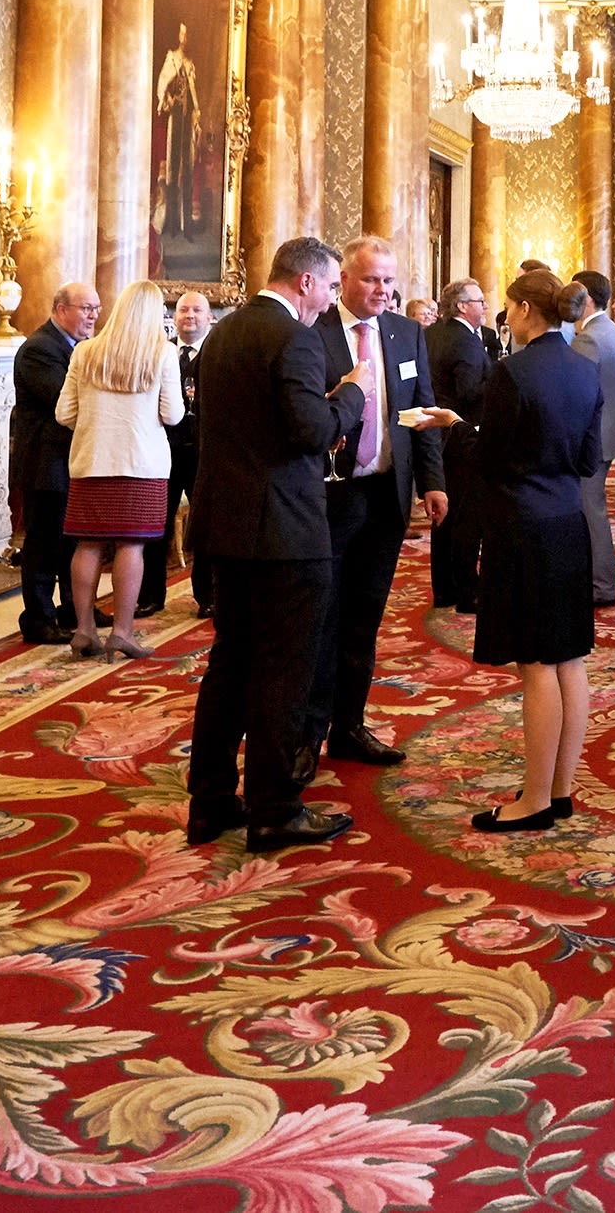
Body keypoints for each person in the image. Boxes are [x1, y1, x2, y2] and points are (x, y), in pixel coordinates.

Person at [186, 237, 369, 851]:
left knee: (230, 664)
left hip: (227, 526)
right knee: (285, 671)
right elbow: (309, 431)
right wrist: (351, 395)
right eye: (333, 284)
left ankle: (210, 801)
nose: (334, 296)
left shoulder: (224, 331)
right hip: (284, 533)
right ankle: (273, 808)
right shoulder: (294, 337)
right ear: (306, 282)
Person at [467, 269, 607, 832]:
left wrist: (461, 433)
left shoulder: (512, 372)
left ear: (526, 310)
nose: (507, 319)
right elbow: (588, 460)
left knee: (536, 666)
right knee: (569, 658)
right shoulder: (584, 370)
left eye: (509, 310)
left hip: (522, 528)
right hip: (569, 522)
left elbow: (490, 459)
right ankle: (560, 787)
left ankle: (534, 803)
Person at [310, 237, 448, 765]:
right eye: (372, 280)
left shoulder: (407, 332)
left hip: (387, 496)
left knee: (365, 618)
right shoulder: (314, 332)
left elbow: (422, 415)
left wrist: (432, 481)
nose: (383, 291)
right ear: (343, 279)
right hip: (330, 497)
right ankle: (308, 733)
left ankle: (348, 727)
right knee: (323, 617)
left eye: (389, 281)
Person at [56, 279, 184, 660]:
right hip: (141, 466)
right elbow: (173, 414)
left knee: (88, 543)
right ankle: (123, 632)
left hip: (91, 461)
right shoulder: (162, 353)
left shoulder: (85, 352)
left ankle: (83, 630)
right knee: (131, 544)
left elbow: (63, 413)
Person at [12, 282, 100, 645]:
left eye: (96, 309)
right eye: (85, 309)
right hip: (45, 462)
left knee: (69, 541)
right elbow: (65, 400)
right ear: (61, 309)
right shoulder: (39, 349)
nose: (93, 316)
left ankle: (72, 610)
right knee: (43, 543)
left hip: (69, 461)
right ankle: (38, 618)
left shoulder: (78, 348)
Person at [425, 279, 496, 613]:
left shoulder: (431, 333)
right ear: (463, 306)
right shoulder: (466, 340)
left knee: (444, 515)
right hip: (463, 436)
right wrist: (499, 378)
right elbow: (469, 392)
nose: (484, 306)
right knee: (467, 517)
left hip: (437, 437)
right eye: (480, 301)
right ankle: (468, 591)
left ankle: (445, 589)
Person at [147, 290, 210, 619]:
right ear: (174, 318)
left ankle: (207, 596)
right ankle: (150, 595)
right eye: (184, 310)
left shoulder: (216, 353)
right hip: (164, 452)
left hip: (203, 453)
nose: (190, 316)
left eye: (197, 311)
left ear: (208, 317)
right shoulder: (161, 354)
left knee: (205, 526)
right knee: (156, 525)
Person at [569, 269, 615, 604]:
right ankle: (597, 582)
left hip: (590, 439)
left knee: (590, 511)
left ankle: (601, 586)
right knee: (593, 509)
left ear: (587, 298)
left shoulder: (589, 338)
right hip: (606, 434)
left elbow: (576, 392)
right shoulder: (614, 332)